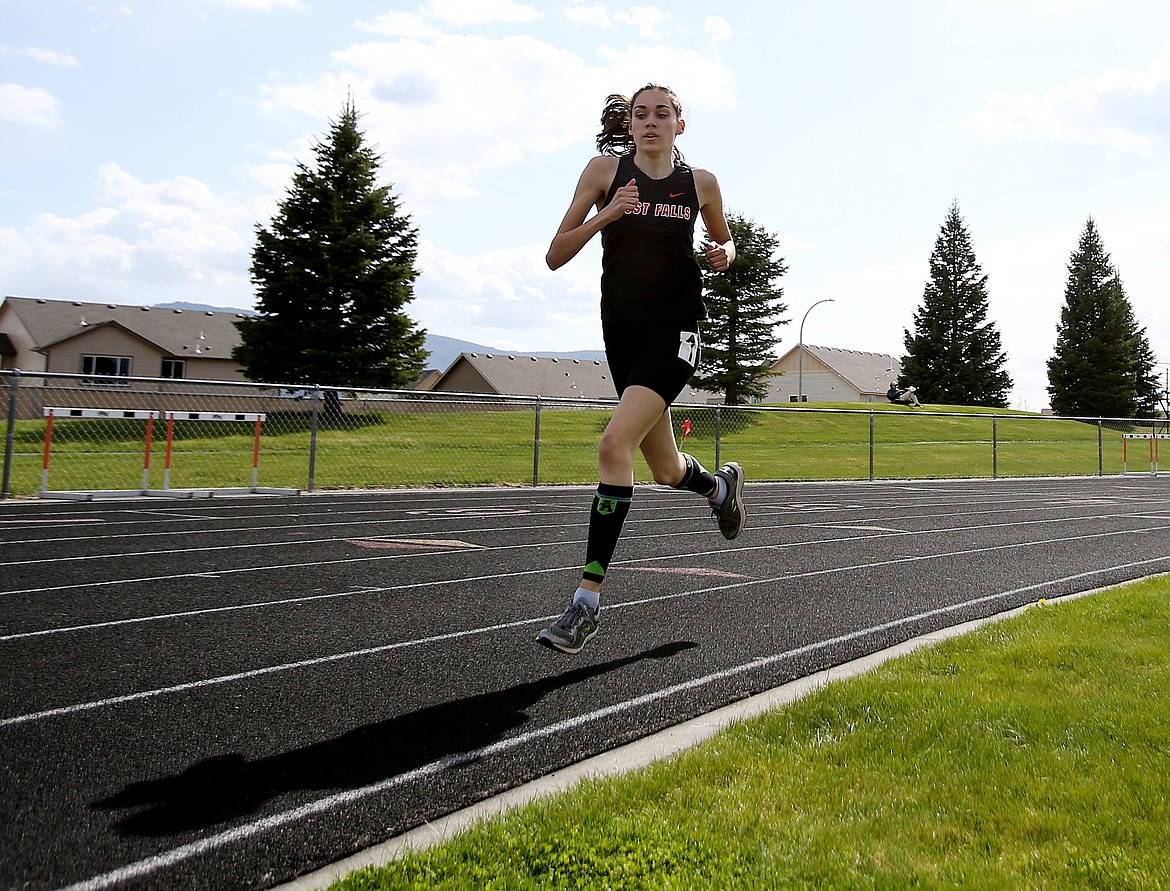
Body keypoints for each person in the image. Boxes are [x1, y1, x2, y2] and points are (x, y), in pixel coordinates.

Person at [536, 83, 746, 655]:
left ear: (681, 124)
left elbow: (725, 245)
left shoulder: (701, 183)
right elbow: (555, 254)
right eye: (640, 113)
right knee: (664, 469)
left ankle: (586, 602)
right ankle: (719, 487)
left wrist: (723, 254)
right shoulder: (604, 172)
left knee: (612, 446)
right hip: (621, 333)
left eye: (663, 113)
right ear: (628, 124)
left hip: (676, 331)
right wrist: (608, 214)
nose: (651, 121)